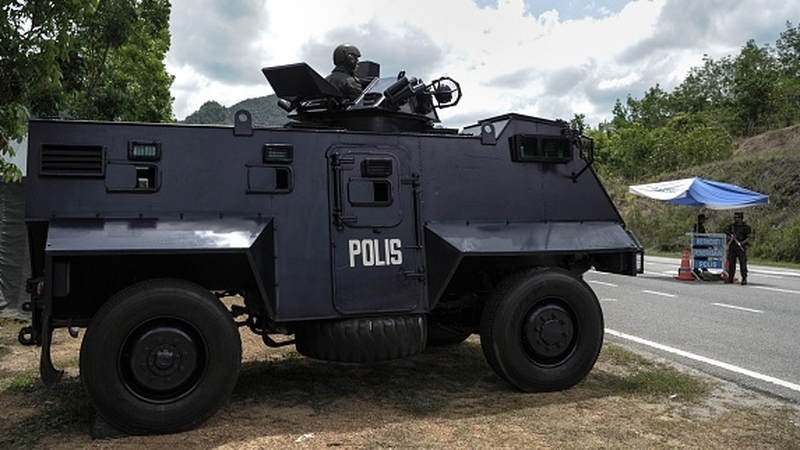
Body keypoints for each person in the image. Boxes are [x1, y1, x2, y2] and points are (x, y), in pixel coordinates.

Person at [724, 211, 751, 285]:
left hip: (741, 247)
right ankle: (730, 277)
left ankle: (744, 278)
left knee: (743, 263)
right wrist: (729, 238)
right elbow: (726, 234)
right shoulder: (731, 226)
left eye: (737, 218)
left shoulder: (746, 227)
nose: (735, 219)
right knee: (731, 263)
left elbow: (748, 237)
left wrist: (743, 242)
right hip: (732, 246)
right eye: (735, 217)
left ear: (741, 218)